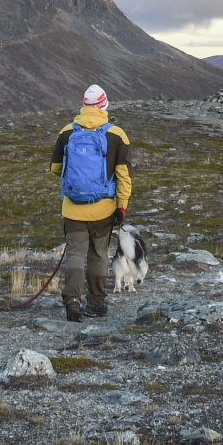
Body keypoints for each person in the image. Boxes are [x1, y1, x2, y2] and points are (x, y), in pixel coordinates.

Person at [48, 83, 133, 321]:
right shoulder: (117, 135)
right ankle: (96, 303)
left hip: (73, 209)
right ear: (104, 105)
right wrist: (122, 205)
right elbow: (123, 175)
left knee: (75, 254)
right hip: (103, 209)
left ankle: (72, 301)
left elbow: (55, 168)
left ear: (84, 105)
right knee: (98, 255)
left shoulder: (66, 132)